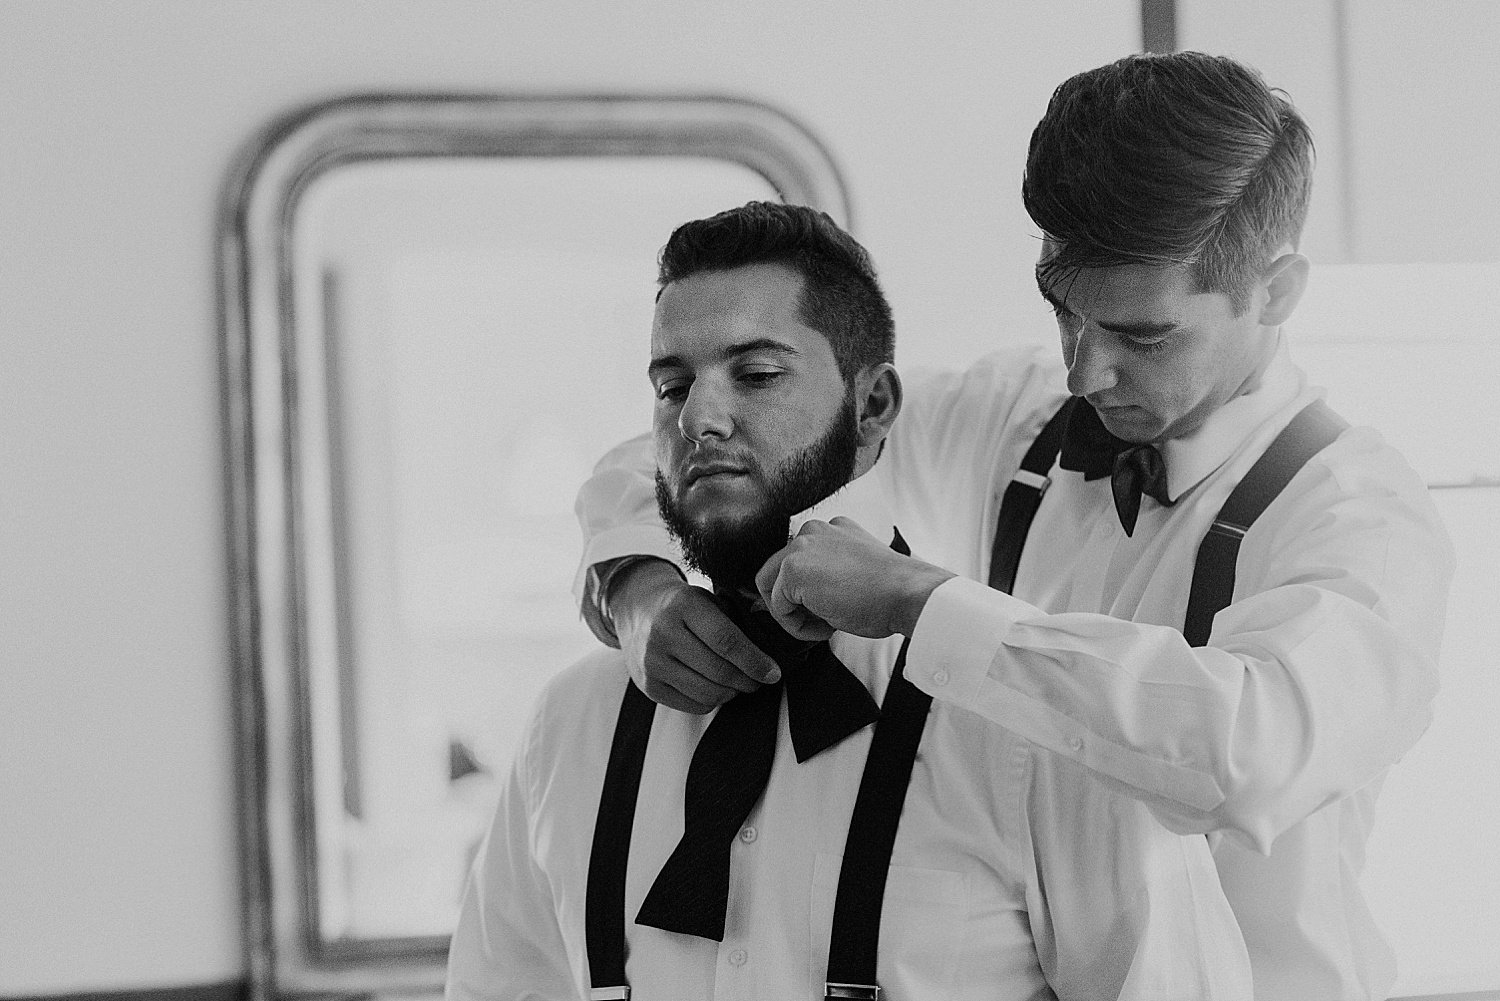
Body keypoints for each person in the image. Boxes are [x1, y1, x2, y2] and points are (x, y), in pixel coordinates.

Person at [569, 55, 1455, 1001]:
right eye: (1064, 314)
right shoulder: (1015, 422)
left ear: (1276, 292)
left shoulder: (1364, 516)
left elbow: (1246, 753)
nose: (1084, 373)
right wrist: (638, 586)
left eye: (1141, 335)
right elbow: (709, 445)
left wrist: (925, 603)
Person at [447, 201, 1254, 1000]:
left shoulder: (1034, 727)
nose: (698, 416)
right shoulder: (568, 728)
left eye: (757, 374)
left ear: (872, 410)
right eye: (671, 384)